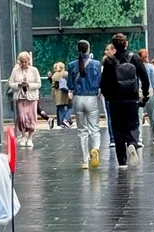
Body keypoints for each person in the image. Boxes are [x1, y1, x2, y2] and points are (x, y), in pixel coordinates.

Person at [101, 33, 150, 169]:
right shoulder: (134, 58)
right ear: (126, 43)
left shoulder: (109, 61)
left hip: (116, 100)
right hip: (132, 98)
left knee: (118, 129)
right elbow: (145, 78)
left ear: (113, 46)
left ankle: (122, 162)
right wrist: (144, 95)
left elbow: (104, 84)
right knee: (134, 126)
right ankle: (132, 145)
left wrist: (109, 97)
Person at [67, 40, 102, 170]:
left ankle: (84, 160)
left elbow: (70, 85)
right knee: (94, 128)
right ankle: (96, 149)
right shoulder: (96, 64)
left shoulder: (71, 65)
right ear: (88, 49)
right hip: (91, 98)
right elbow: (99, 82)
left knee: (82, 131)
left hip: (78, 98)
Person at [8, 52, 41, 147]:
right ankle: (23, 136)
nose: (23, 64)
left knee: (31, 117)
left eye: (25, 62)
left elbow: (39, 84)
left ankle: (30, 138)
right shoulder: (15, 70)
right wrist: (18, 85)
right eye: (21, 62)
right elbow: (10, 83)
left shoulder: (34, 70)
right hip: (20, 96)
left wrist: (29, 85)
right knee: (21, 117)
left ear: (29, 61)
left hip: (32, 97)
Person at [137, 49, 154, 145]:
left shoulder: (136, 67)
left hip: (139, 93)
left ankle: (139, 139)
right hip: (150, 92)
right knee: (153, 115)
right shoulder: (151, 67)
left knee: (139, 117)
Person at [50, 62, 73, 128]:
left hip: (57, 93)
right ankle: (65, 119)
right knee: (70, 106)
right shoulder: (66, 73)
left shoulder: (54, 75)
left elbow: (53, 86)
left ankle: (61, 123)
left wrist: (53, 94)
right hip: (66, 93)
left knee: (60, 108)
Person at [102, 43, 116, 147]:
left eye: (107, 50)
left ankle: (113, 139)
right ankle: (114, 138)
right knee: (112, 116)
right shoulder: (105, 65)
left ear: (113, 50)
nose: (105, 51)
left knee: (111, 116)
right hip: (112, 94)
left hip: (110, 94)